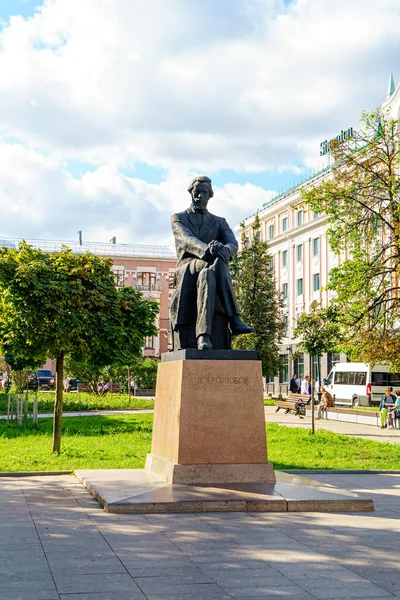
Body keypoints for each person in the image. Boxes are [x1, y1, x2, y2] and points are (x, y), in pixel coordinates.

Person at [170, 175, 254, 350]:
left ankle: (203, 335)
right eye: (196, 192)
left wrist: (224, 250)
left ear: (210, 195)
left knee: (210, 271)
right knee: (215, 263)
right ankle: (235, 319)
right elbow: (187, 240)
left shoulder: (219, 222)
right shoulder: (178, 218)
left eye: (203, 193)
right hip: (187, 268)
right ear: (191, 193)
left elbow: (233, 244)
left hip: (210, 268)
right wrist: (209, 249)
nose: (199, 196)